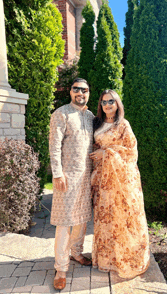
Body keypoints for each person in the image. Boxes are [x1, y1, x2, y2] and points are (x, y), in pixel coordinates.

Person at [89, 89, 150, 279]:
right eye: (104, 102)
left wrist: (107, 153)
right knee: (106, 218)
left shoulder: (123, 125)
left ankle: (126, 260)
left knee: (122, 217)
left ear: (117, 104)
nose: (107, 105)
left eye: (111, 101)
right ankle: (107, 259)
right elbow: (93, 147)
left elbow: (131, 152)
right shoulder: (97, 124)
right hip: (103, 179)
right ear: (100, 105)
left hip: (121, 181)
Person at [49, 78, 94, 290]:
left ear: (88, 93)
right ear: (70, 91)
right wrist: (57, 173)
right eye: (76, 89)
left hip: (86, 179)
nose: (80, 93)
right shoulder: (61, 113)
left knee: (82, 219)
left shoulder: (90, 116)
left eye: (84, 90)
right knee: (64, 222)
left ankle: (76, 253)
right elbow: (54, 146)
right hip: (66, 179)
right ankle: (61, 268)